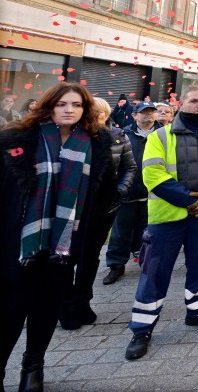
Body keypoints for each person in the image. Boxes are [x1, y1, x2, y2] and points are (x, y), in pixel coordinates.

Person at [0, 83, 114, 391]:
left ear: (85, 110)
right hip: (21, 243)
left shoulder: (95, 143)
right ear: (48, 106)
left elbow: (102, 192)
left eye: (76, 105)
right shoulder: (17, 139)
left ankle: (32, 369)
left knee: (46, 309)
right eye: (62, 104)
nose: (69, 110)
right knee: (11, 311)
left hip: (63, 246)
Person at [124, 87, 198, 361]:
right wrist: (188, 200)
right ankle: (142, 329)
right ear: (181, 103)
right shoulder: (160, 135)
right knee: (155, 272)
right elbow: (152, 174)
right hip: (167, 217)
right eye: (193, 101)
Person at [60, 98, 136, 330]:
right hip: (72, 208)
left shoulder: (117, 137)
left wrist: (119, 192)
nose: (96, 116)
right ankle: (65, 306)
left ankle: (84, 301)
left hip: (103, 208)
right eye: (91, 112)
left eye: (100, 112)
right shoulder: (73, 138)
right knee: (65, 258)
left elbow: (129, 168)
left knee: (90, 257)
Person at [103, 101, 159, 285]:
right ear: (134, 115)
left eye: (151, 112)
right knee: (120, 232)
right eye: (144, 112)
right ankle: (116, 265)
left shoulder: (164, 134)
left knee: (149, 232)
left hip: (154, 193)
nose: (148, 115)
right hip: (128, 191)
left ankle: (148, 263)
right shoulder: (123, 134)